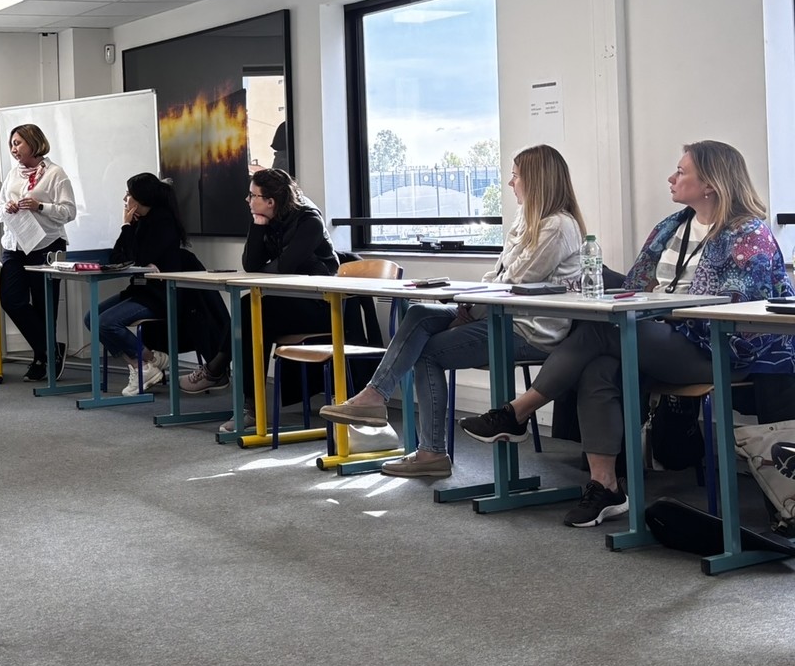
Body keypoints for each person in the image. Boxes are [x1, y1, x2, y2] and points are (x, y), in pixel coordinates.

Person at [461, 140, 795, 524]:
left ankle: (517, 411)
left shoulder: (747, 234)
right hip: (663, 338)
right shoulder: (672, 227)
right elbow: (637, 284)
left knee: (603, 332)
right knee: (598, 368)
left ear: (710, 183)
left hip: (718, 348)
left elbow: (737, 308)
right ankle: (605, 485)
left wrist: (660, 311)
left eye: (681, 171)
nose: (671, 178)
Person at [320, 145, 586, 478]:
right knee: (419, 314)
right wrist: (469, 309)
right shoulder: (526, 221)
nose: (510, 183)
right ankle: (375, 395)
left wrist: (470, 313)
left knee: (426, 353)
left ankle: (430, 452)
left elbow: (515, 281)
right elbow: (496, 276)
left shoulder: (558, 226)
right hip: (501, 317)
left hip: (529, 331)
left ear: (536, 181)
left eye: (515, 176)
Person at [179, 169, 339, 433]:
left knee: (251, 310)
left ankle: (222, 376)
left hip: (321, 305)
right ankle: (246, 404)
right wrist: (257, 224)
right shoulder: (271, 219)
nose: (247, 199)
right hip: (289, 300)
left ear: (271, 201)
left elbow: (285, 267)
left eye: (253, 195)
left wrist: (267, 267)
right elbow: (251, 265)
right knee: (251, 312)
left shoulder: (309, 220)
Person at [87, 173, 190, 395]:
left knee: (106, 322)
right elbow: (118, 257)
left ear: (141, 197)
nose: (125, 198)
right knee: (91, 318)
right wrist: (127, 225)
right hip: (140, 290)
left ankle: (143, 366)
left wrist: (128, 230)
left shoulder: (163, 222)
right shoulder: (139, 221)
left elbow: (139, 257)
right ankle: (147, 361)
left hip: (160, 295)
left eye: (129, 194)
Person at [0, 124, 77, 382]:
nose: (13, 149)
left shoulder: (55, 174)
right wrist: (6, 207)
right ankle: (51, 349)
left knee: (44, 305)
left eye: (18, 143)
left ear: (33, 143)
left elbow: (69, 212)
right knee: (10, 300)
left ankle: (42, 358)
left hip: (47, 245)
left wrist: (41, 206)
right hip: (15, 246)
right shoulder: (12, 174)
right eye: (11, 144)